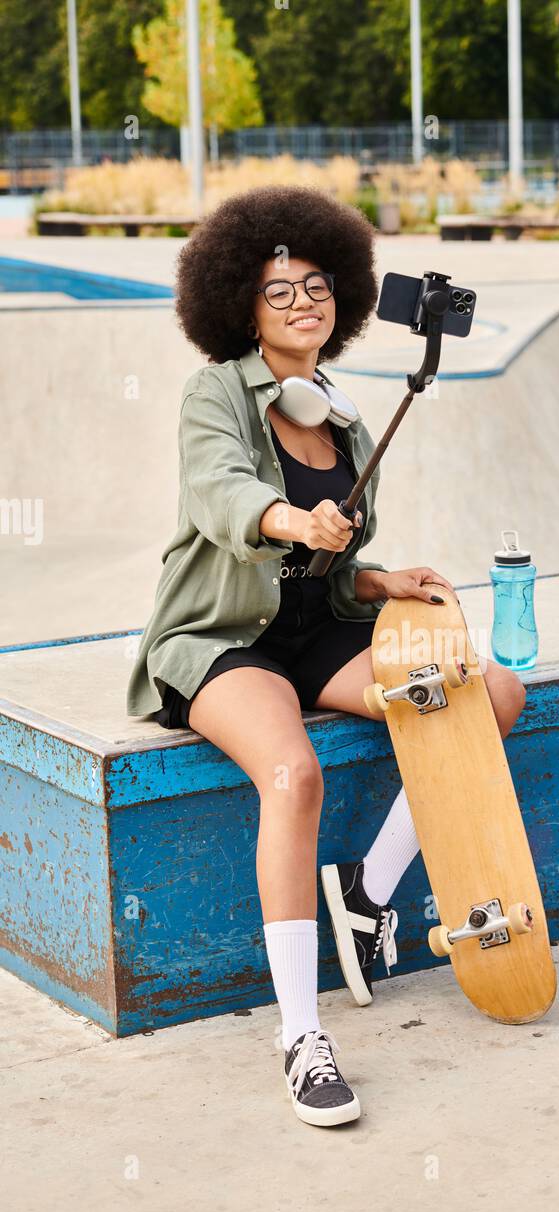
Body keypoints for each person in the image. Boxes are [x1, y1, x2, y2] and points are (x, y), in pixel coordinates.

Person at [126, 185, 527, 1128]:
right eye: (279, 291)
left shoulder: (344, 416)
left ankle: (366, 893)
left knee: (489, 696)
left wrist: (380, 582)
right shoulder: (215, 393)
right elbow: (222, 495)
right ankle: (303, 1037)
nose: (304, 302)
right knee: (293, 774)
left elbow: (333, 567)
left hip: (315, 630)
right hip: (223, 639)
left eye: (317, 285)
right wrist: (287, 517)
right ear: (240, 305)